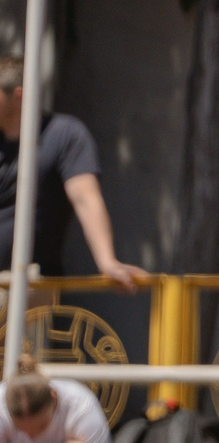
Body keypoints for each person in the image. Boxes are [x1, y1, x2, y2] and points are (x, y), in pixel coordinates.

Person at [0, 54, 145, 288]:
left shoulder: (64, 135)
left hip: (27, 283)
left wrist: (107, 261)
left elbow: (85, 197)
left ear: (18, 95)